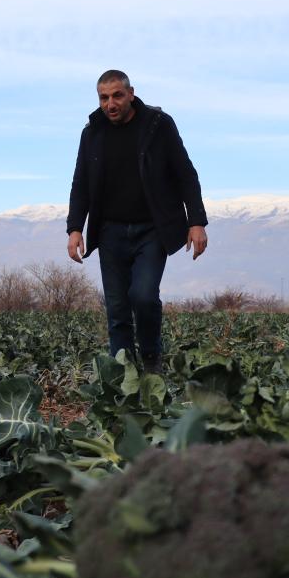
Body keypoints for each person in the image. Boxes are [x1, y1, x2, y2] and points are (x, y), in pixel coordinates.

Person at [66, 69, 208, 374]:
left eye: (117, 95)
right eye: (104, 98)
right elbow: (81, 182)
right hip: (109, 231)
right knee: (117, 309)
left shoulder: (158, 125)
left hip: (152, 229)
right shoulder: (92, 133)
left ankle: (151, 359)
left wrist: (196, 221)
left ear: (131, 93)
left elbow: (185, 173)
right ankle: (122, 377)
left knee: (143, 296)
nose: (110, 103)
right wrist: (75, 228)